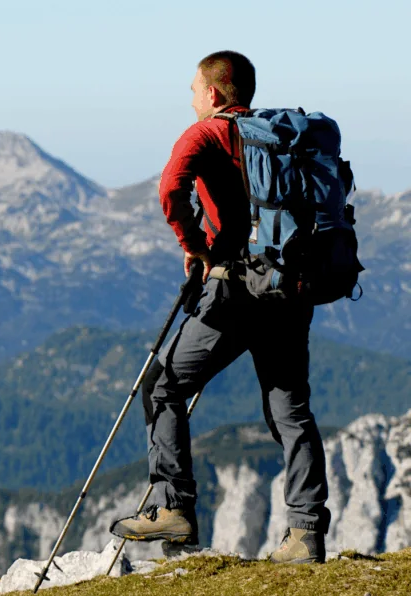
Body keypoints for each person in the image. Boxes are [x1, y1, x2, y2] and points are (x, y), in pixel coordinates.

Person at [108, 50, 330, 564]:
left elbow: (170, 190)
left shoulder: (204, 134)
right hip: (289, 288)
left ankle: (173, 506)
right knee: (291, 412)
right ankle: (305, 534)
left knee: (162, 384)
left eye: (192, 92)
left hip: (233, 291)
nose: (190, 101)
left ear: (212, 94)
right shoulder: (277, 138)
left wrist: (194, 245)